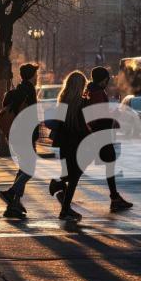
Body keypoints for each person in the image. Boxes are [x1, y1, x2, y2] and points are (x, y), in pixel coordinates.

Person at [83, 66, 133, 212]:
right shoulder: (98, 92)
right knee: (107, 164)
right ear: (103, 79)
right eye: (107, 79)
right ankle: (115, 198)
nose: (108, 82)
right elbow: (100, 114)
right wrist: (115, 113)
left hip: (94, 133)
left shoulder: (90, 90)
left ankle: (115, 197)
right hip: (101, 134)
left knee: (91, 164)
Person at [0, 64, 39, 220]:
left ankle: (13, 205)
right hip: (25, 135)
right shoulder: (29, 90)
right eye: (35, 74)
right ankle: (12, 192)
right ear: (31, 76)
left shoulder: (16, 91)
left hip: (14, 135)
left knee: (23, 169)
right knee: (29, 169)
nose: (37, 77)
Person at [55, 71, 90, 222]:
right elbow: (83, 127)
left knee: (70, 174)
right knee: (75, 176)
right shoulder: (82, 103)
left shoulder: (62, 100)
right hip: (78, 144)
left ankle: (60, 188)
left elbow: (60, 124)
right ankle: (65, 209)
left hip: (64, 144)